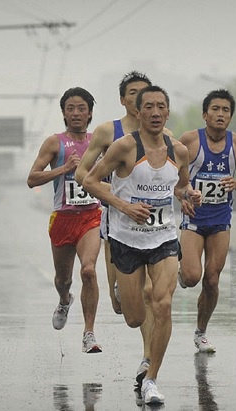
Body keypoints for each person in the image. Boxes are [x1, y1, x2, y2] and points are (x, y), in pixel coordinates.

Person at [83, 85, 202, 404]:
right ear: (138, 111)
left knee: (162, 303)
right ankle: (127, 291)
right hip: (125, 239)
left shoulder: (179, 151)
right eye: (148, 106)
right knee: (135, 316)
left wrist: (190, 195)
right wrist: (124, 206)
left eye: (161, 106)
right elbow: (90, 181)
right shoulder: (123, 147)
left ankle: (151, 378)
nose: (155, 112)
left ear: (167, 112)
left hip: (162, 237)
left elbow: (181, 184)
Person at [75, 71, 175, 388]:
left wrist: (185, 195)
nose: (139, 99)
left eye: (145, 94)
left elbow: (176, 179)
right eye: (133, 93)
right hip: (115, 224)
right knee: (126, 310)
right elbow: (82, 175)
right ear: (124, 99)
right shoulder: (109, 132)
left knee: (156, 297)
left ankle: (148, 360)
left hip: (157, 233)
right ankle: (121, 292)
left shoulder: (167, 137)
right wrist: (119, 196)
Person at [178, 89, 236, 353]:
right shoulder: (189, 141)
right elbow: (171, 176)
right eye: (215, 109)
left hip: (221, 219)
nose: (220, 114)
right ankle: (181, 272)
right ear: (205, 114)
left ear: (231, 117)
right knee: (192, 277)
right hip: (194, 218)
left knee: (212, 279)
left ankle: (201, 332)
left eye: (226, 110)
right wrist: (184, 195)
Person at [26, 87, 103, 354]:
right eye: (70, 108)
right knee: (63, 279)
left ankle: (89, 333)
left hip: (91, 216)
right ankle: (63, 299)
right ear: (63, 113)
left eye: (82, 108)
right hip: (62, 218)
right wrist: (64, 169)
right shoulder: (54, 143)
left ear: (90, 112)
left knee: (89, 270)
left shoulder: (99, 142)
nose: (76, 113)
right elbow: (32, 179)